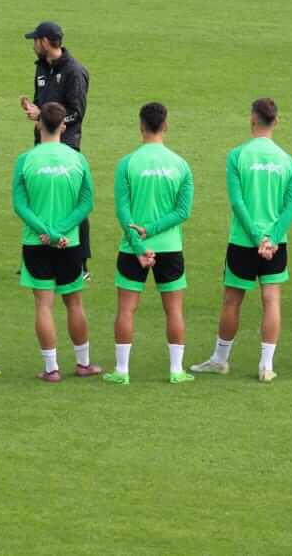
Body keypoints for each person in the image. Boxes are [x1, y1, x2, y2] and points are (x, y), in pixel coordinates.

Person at [192, 99, 292, 383]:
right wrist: (272, 238)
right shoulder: (287, 160)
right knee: (272, 300)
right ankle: (266, 365)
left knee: (231, 302)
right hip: (276, 243)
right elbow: (291, 206)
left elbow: (237, 202)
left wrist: (255, 237)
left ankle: (220, 359)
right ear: (276, 121)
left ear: (253, 119)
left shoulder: (237, 156)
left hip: (243, 240)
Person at [107, 101, 193, 386]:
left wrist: (138, 241)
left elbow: (123, 210)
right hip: (169, 246)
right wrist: (154, 230)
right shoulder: (181, 165)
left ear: (141, 126)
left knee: (127, 309)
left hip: (132, 248)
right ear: (165, 126)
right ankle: (176, 370)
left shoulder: (127, 163)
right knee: (174, 310)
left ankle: (122, 371)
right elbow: (183, 212)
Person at [13, 103, 98, 382]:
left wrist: (44, 231)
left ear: (38, 125)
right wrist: (61, 230)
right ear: (63, 126)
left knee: (44, 305)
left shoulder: (25, 160)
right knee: (74, 303)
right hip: (68, 242)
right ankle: (83, 364)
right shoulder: (77, 159)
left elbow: (20, 204)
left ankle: (51, 369)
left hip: (36, 242)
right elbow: (87, 202)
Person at [20, 21, 93, 267]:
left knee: (72, 202)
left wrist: (44, 118)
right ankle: (40, 251)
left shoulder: (74, 71)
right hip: (41, 143)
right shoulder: (41, 68)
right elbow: (42, 101)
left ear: (45, 42)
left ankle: (81, 261)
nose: (33, 45)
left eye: (35, 40)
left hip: (67, 145)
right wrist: (34, 108)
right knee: (39, 195)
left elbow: (77, 113)